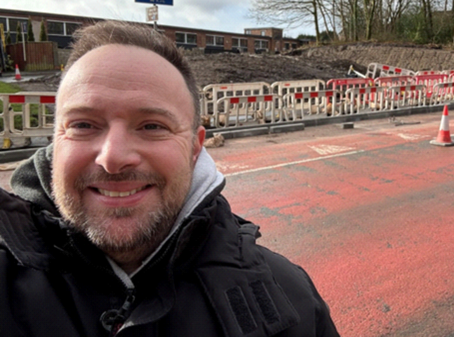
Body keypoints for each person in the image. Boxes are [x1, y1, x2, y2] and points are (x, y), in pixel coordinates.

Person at [0, 20, 338, 337]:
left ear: (195, 148)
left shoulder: (293, 302)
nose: (113, 157)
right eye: (83, 125)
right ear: (54, 141)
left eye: (152, 126)